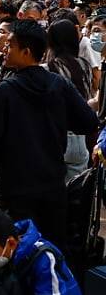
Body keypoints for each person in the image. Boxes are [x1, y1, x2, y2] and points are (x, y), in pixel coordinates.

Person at [0, 20, 99, 250]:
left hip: (14, 189)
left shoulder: (5, 91)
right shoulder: (58, 85)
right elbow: (88, 121)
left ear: (26, 51)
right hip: (52, 185)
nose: (5, 49)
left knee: (17, 252)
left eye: (11, 45)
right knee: (50, 252)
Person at [45, 20, 93, 181]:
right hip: (80, 139)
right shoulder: (85, 65)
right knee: (76, 189)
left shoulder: (48, 69)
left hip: (54, 138)